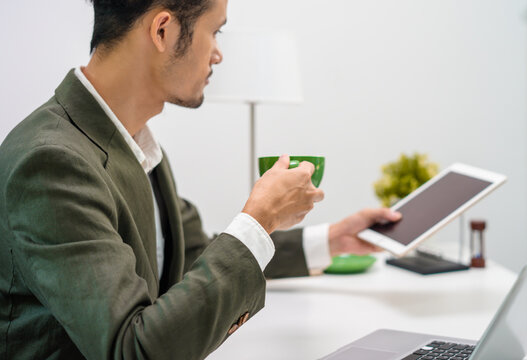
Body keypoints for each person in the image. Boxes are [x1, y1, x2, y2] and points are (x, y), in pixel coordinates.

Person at [0, 0, 402, 359]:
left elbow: (196, 252)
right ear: (163, 30)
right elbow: (131, 349)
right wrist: (258, 218)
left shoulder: (138, 147)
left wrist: (332, 240)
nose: (218, 54)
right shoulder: (52, 161)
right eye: (215, 30)